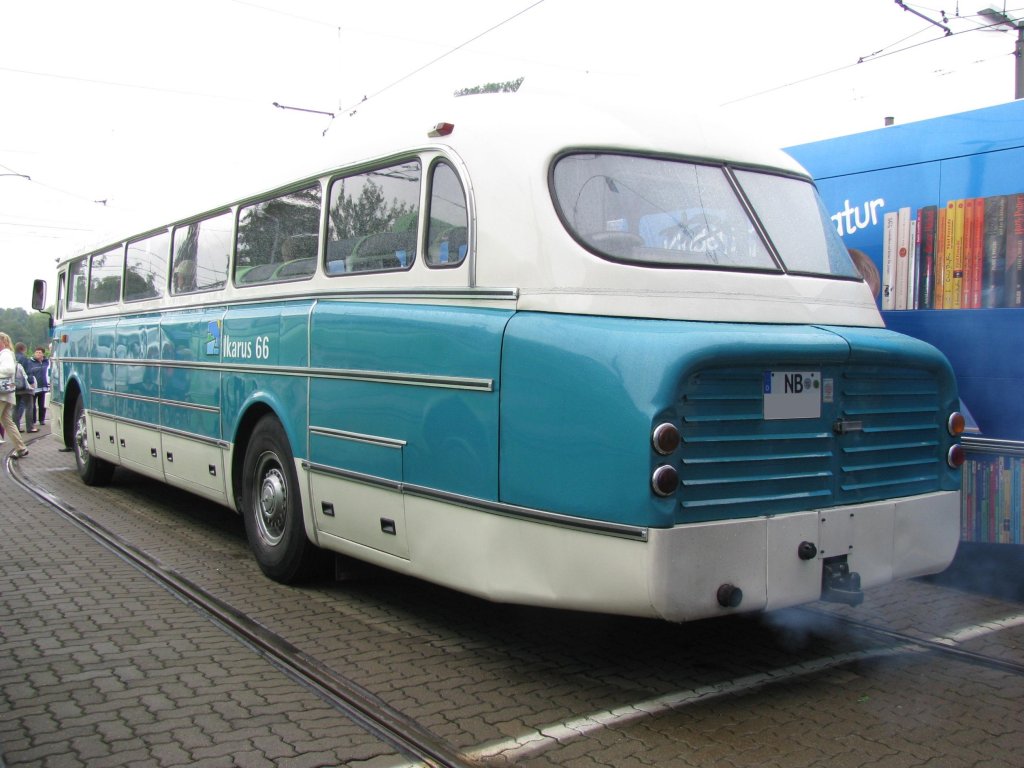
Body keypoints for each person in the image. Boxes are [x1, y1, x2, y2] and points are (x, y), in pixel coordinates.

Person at [0, 333, 29, 457]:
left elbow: (9, 370)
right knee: (7, 421)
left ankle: (21, 448)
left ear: (4, 342)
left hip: (2, 393)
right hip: (6, 393)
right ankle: (21, 448)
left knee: (7, 421)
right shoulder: (7, 353)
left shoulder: (5, 353)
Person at [13, 342, 36, 432]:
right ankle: (30, 427)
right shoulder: (24, 359)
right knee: (29, 406)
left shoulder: (12, 358)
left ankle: (16, 428)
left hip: (15, 386)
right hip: (25, 387)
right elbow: (28, 371)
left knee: (15, 408)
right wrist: (31, 382)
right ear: (24, 349)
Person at [26, 346, 50, 427]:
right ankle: (33, 420)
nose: (38, 354)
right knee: (32, 405)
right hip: (34, 387)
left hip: (44, 387)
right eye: (36, 352)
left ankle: (42, 419)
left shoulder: (47, 362)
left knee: (42, 405)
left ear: (43, 354)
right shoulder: (30, 362)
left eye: (39, 352)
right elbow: (29, 373)